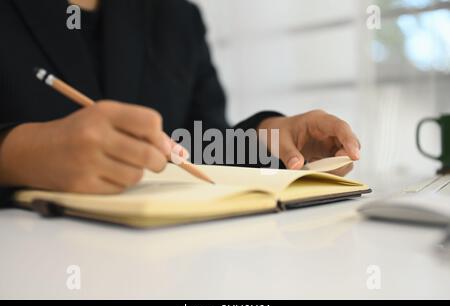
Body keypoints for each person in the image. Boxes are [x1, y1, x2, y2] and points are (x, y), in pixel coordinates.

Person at [0, 0, 360, 203]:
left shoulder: (176, 18)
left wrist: (265, 142)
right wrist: (16, 155)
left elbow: (194, 146)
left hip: (168, 263)